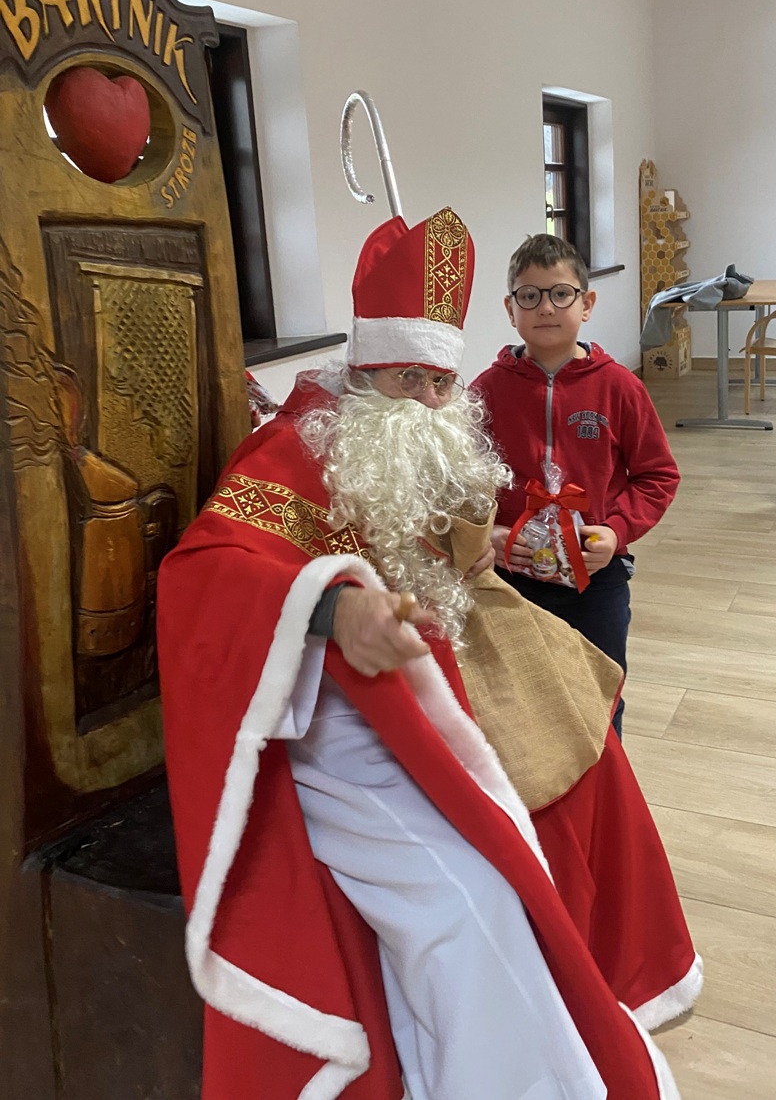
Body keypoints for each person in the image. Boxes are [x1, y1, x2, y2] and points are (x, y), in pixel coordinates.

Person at [157, 208, 697, 1100]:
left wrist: (474, 544)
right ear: (365, 372)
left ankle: (601, 989)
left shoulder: (424, 432)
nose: (431, 402)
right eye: (411, 378)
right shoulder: (297, 447)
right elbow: (207, 568)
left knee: (595, 759)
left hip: (439, 672)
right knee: (470, 900)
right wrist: (334, 610)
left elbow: (447, 538)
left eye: (443, 381)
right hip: (343, 720)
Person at [474, 234, 680, 739]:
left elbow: (657, 475)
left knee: (599, 690)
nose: (545, 307)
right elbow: (461, 482)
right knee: (519, 694)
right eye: (529, 295)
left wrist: (615, 531)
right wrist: (488, 536)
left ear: (586, 304)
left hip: (597, 578)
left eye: (560, 293)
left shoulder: (620, 387)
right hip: (513, 577)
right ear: (510, 309)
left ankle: (607, 781)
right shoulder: (485, 391)